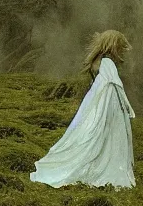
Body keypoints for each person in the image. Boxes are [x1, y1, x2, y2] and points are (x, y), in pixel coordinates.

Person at [30, 30, 136, 189]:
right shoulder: (107, 63)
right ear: (115, 46)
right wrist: (127, 106)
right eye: (120, 47)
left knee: (92, 135)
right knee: (100, 138)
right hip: (106, 104)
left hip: (100, 103)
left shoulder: (101, 62)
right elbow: (114, 85)